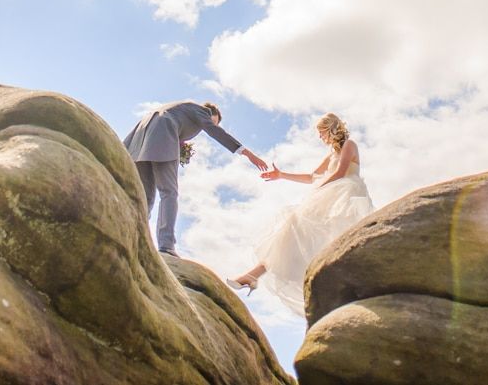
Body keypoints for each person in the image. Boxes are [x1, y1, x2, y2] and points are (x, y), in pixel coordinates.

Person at [226, 113, 374, 314]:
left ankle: (255, 276)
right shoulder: (330, 154)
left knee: (306, 230)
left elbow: (340, 173)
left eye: (321, 133)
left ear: (330, 129)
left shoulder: (350, 145)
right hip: (330, 195)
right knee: (291, 229)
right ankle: (254, 275)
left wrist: (318, 190)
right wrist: (281, 175)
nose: (321, 138)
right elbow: (312, 176)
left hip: (345, 197)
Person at [124, 100, 269, 257]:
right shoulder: (202, 111)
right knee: (169, 192)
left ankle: (132, 234)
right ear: (211, 114)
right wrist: (246, 153)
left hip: (141, 142)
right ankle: (166, 245)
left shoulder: (179, 109)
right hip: (163, 136)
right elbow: (214, 131)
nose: (206, 126)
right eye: (214, 122)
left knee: (146, 197)